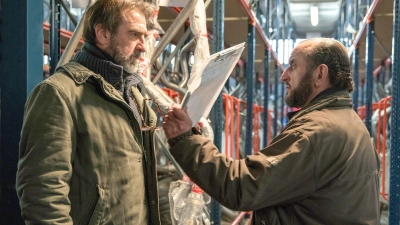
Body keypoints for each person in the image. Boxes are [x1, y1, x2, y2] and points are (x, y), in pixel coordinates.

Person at [163, 38, 380, 224]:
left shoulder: (317, 132)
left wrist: (186, 139)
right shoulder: (350, 122)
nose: (284, 75)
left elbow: (240, 186)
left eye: (293, 66)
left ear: (320, 74)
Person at [16, 0, 161, 224]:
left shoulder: (135, 96)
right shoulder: (59, 94)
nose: (143, 45)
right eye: (134, 34)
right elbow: (43, 193)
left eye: (145, 36)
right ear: (103, 33)